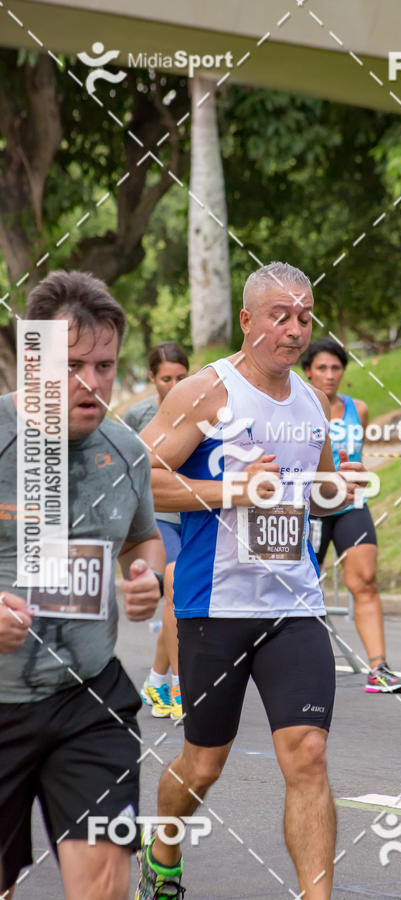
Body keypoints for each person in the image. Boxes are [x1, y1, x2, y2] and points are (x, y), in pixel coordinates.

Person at [135, 262, 364, 900]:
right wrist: (230, 489)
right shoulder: (209, 391)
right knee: (204, 764)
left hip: (295, 604)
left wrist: (334, 489)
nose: (294, 330)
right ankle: (164, 849)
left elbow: (316, 490)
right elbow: (143, 477)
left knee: (308, 755)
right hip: (216, 605)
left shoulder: (312, 402)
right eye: (279, 316)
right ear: (247, 320)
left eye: (304, 317)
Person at [0, 271, 165, 899]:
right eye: (73, 365)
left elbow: (141, 540)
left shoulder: (126, 451)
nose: (91, 383)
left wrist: (146, 574)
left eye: (104, 365)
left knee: (102, 885)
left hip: (89, 703)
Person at [302, 337, 401, 694]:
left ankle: (379, 668)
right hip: (309, 507)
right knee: (297, 587)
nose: (330, 375)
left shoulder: (357, 409)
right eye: (322, 368)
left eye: (336, 368)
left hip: (350, 505)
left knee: (365, 580)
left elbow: (357, 456)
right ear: (307, 372)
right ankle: (282, 666)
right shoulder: (298, 408)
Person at [125, 342, 189, 720]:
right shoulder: (138, 415)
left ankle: (156, 678)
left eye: (182, 377)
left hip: (193, 517)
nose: (175, 384)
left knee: (177, 602)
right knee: (177, 589)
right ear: (152, 378)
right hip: (156, 520)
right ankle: (182, 688)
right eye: (167, 378)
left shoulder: (203, 410)